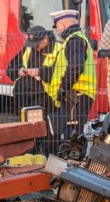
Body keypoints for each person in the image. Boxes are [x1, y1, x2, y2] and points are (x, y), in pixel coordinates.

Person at [35, 9, 95, 153]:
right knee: (71, 133)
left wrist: (63, 88)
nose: (57, 30)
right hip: (75, 95)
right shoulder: (76, 39)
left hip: (75, 95)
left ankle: (73, 165)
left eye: (57, 26)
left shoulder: (74, 40)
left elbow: (75, 67)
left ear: (62, 25)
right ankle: (72, 163)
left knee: (72, 136)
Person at [6, 25, 54, 116]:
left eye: (36, 44)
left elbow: (61, 71)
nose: (33, 47)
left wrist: (39, 72)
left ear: (45, 39)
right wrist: (18, 71)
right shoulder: (28, 48)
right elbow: (10, 68)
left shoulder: (57, 49)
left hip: (44, 97)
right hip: (23, 96)